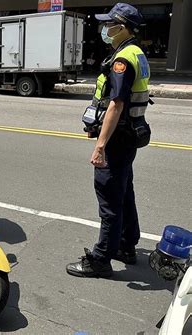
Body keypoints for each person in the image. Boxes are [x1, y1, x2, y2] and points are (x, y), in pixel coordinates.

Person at [66, 3, 151, 278]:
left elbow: (116, 104)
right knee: (124, 191)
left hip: (116, 139)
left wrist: (100, 145)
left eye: (109, 24)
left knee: (109, 199)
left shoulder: (123, 59)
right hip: (129, 137)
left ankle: (101, 259)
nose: (105, 28)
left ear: (122, 27)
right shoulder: (135, 52)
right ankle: (126, 245)